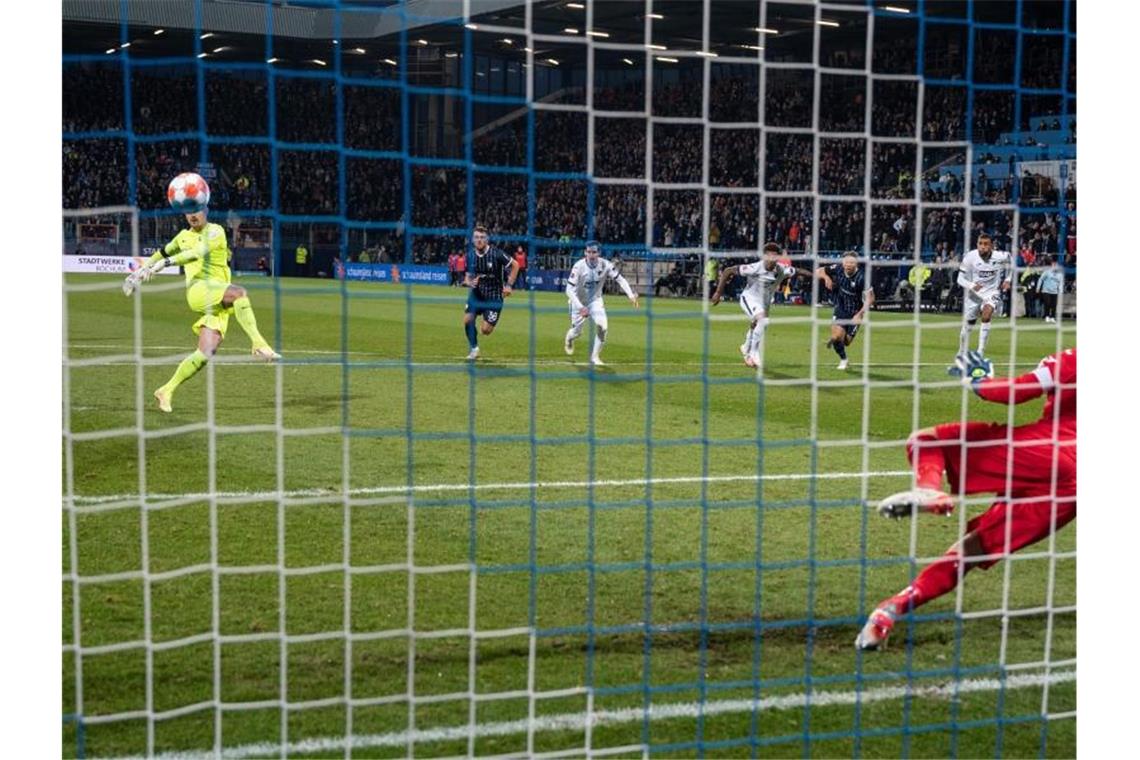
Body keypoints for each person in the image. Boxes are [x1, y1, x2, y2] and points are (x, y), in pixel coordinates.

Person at [856, 348, 1075, 651]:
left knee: (928, 439)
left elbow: (1016, 391)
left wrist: (978, 379)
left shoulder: (1074, 358)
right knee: (972, 550)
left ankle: (929, 488)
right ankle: (888, 613)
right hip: (1074, 490)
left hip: (1046, 452)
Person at [122, 202, 280, 413]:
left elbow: (197, 253)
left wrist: (166, 263)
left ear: (205, 211)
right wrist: (141, 271)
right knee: (239, 293)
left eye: (196, 211)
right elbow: (161, 252)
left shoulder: (216, 231)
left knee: (205, 353)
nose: (192, 216)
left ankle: (166, 390)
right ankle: (258, 344)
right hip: (199, 290)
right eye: (188, 212)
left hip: (217, 297)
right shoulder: (182, 237)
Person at [710, 242, 797, 370]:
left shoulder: (781, 269)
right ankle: (754, 352)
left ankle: (746, 347)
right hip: (749, 298)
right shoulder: (754, 267)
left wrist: (820, 275)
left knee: (758, 324)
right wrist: (718, 293)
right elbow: (728, 271)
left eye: (775, 256)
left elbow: (797, 271)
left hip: (764, 302)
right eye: (769, 256)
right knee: (763, 321)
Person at [563, 241, 639, 366]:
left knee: (603, 327)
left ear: (599, 253)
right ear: (585, 252)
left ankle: (595, 357)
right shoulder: (578, 267)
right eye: (588, 252)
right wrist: (580, 307)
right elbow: (569, 290)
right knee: (577, 332)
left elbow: (620, 279)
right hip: (578, 302)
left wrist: (630, 295)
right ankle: (569, 339)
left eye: (594, 252)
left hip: (595, 301)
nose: (591, 255)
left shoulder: (606, 265)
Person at [463, 224, 519, 361]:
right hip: (477, 294)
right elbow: (467, 277)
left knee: (485, 330)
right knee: (467, 320)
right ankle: (474, 349)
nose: (479, 240)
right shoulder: (470, 256)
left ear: (487, 239)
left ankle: (486, 316)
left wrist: (509, 285)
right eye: (476, 237)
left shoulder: (497, 254)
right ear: (472, 240)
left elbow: (515, 265)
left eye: (482, 237)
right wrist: (469, 282)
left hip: (494, 297)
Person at [815, 252, 875, 371]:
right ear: (842, 262)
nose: (848, 265)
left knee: (846, 341)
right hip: (841, 308)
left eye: (851, 262)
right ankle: (843, 359)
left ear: (856, 263)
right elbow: (818, 271)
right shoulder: (837, 268)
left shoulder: (862, 278)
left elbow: (871, 298)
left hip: (855, 312)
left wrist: (860, 314)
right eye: (846, 262)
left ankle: (838, 341)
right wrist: (826, 277)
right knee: (837, 337)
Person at [956, 233, 1011, 356]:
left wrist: (1008, 279)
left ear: (991, 246)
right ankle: (961, 351)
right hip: (974, 294)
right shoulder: (970, 257)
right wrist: (971, 285)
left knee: (986, 315)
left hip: (991, 292)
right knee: (968, 325)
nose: (982, 247)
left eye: (986, 244)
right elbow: (959, 279)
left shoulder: (1000, 256)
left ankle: (980, 352)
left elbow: (1011, 262)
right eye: (980, 243)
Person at [1036, 256, 1064, 323]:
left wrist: (1060, 291)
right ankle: (1047, 316)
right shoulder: (1047, 272)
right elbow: (1041, 279)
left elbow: (1060, 283)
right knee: (1047, 304)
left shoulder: (1060, 274)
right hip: (1046, 291)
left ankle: (1052, 317)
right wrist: (1038, 288)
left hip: (1054, 292)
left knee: (1054, 305)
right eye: (1053, 265)